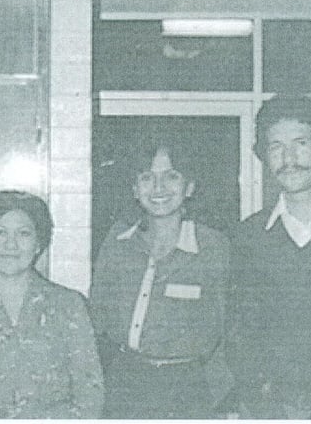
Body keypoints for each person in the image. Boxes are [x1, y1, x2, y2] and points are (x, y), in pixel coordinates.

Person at [89, 137, 232, 419]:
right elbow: (98, 318)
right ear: (134, 188)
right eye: (147, 178)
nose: (158, 188)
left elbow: (229, 329)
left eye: (171, 176)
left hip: (189, 390)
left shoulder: (215, 247)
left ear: (189, 186)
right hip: (125, 385)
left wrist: (221, 397)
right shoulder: (118, 242)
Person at [0, 190, 104, 418]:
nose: (10, 244)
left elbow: (90, 394)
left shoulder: (70, 306)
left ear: (38, 244)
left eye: (23, 233)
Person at [227, 95, 311, 419]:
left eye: (301, 143)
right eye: (276, 146)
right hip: (270, 410)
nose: (288, 158)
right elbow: (239, 333)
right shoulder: (247, 237)